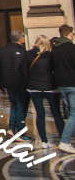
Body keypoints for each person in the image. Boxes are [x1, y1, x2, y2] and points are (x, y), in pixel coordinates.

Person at [27, 35, 64, 149]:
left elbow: (24, 70)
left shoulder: (29, 54)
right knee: (56, 113)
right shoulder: (50, 55)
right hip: (50, 87)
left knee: (40, 114)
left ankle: (43, 140)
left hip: (34, 87)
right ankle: (63, 139)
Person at [0, 30, 29, 134]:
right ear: (20, 39)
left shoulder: (2, 50)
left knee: (14, 105)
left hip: (7, 83)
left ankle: (11, 128)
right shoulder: (21, 51)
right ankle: (20, 130)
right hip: (19, 83)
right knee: (19, 105)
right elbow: (23, 68)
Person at [52, 24, 75, 153]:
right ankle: (65, 141)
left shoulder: (55, 49)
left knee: (70, 112)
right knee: (73, 114)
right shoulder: (71, 48)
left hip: (61, 85)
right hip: (72, 84)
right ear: (69, 34)